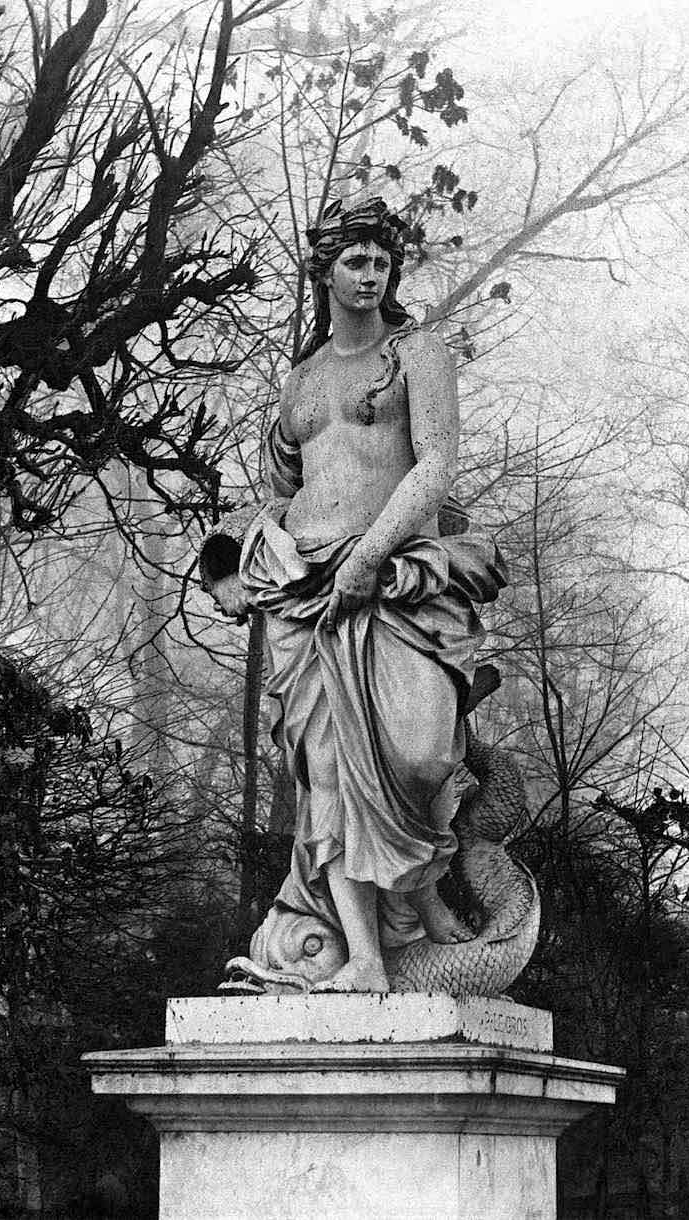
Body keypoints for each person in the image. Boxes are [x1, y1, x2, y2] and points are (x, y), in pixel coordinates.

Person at [207, 198, 505, 993]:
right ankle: (367, 961)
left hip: (399, 579)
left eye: (382, 262)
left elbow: (435, 465)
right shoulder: (300, 381)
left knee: (421, 752)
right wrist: (229, 565)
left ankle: (422, 905)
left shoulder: (419, 354)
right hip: (305, 595)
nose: (372, 274)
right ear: (326, 271)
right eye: (357, 261)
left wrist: (371, 556)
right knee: (329, 773)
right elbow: (276, 494)